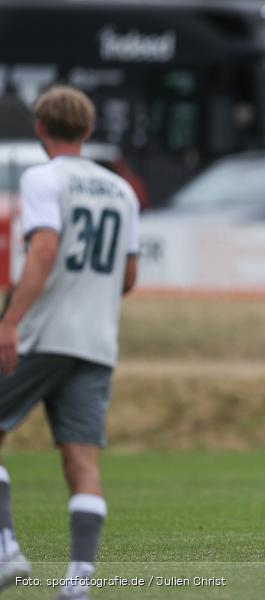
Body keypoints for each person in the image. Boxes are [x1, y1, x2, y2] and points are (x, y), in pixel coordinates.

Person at [0, 86, 140, 599]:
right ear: (88, 129)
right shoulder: (122, 191)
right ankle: (78, 583)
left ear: (40, 128)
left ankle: (6, 550)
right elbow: (128, 276)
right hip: (96, 340)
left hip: (42, 334)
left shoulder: (43, 177)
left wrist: (10, 321)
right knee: (82, 464)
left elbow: (44, 249)